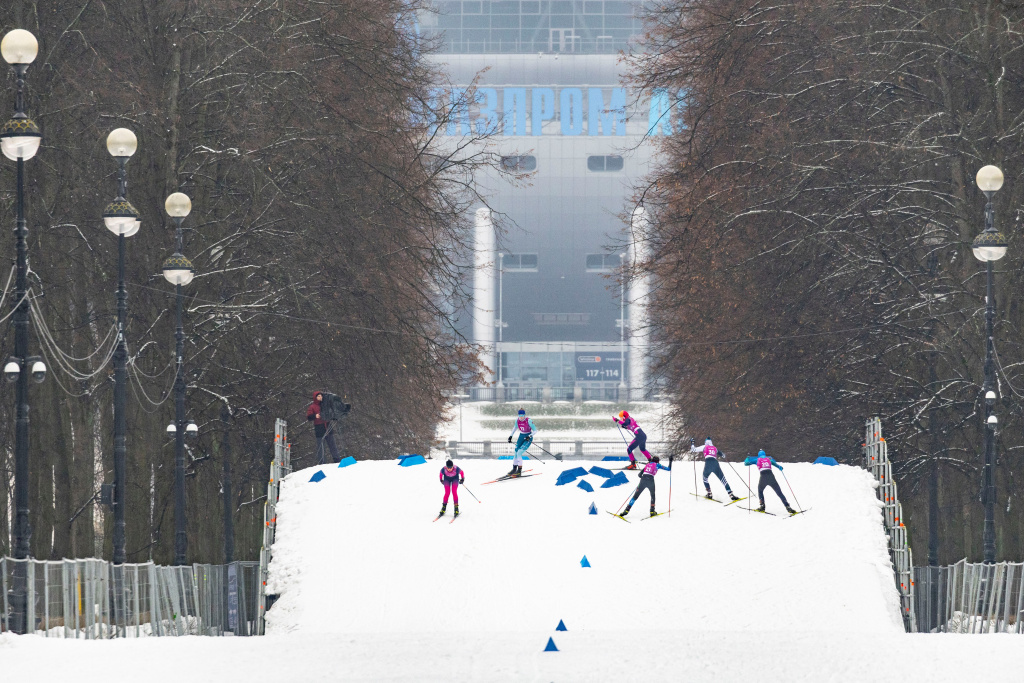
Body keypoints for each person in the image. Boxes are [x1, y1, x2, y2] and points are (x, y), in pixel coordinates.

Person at [743, 449, 796, 514]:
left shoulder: (757, 459)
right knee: (779, 492)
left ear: (758, 455)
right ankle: (788, 507)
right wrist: (780, 467)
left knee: (760, 490)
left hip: (763, 477)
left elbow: (746, 463)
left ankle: (762, 506)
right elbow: (777, 465)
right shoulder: (768, 459)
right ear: (764, 454)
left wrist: (747, 458)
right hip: (771, 477)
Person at [692, 437, 739, 501]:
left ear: (705, 442)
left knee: (705, 478)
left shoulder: (704, 446)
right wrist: (723, 456)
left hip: (708, 463)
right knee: (723, 479)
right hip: (715, 463)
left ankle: (709, 493)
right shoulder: (714, 448)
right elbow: (723, 455)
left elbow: (693, 450)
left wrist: (692, 443)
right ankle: (731, 494)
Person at [307, 390, 340, 464]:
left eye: (321, 396)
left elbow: (331, 413)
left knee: (332, 444)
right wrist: (315, 416)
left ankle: (337, 459)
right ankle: (322, 462)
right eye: (318, 396)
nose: (320, 397)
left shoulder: (325, 404)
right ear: (315, 397)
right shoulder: (312, 406)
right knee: (321, 447)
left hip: (328, 426)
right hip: (319, 427)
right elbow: (309, 417)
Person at [506, 408, 537, 477]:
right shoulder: (517, 420)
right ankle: (514, 469)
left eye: (522, 415)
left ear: (524, 415)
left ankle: (519, 471)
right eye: (520, 415)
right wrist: (510, 436)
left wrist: (530, 436)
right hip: (521, 436)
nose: (521, 417)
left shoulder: (529, 420)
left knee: (519, 452)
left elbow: (535, 430)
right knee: (516, 452)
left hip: (528, 437)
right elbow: (514, 428)